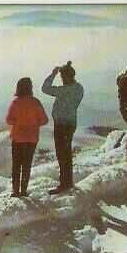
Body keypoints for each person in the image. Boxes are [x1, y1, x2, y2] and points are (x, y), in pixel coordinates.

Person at [42, 61, 84, 194]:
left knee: (62, 154)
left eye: (62, 77)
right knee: (66, 153)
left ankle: (65, 183)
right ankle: (67, 181)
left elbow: (45, 88)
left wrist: (53, 74)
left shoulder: (64, 90)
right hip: (71, 123)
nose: (62, 79)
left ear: (67, 76)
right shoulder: (79, 88)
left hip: (61, 125)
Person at [5, 77, 49, 197]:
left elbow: (8, 120)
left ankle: (15, 191)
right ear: (30, 88)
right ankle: (24, 191)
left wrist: (19, 122)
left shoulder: (15, 102)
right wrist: (34, 124)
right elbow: (45, 120)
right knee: (26, 165)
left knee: (16, 165)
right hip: (31, 139)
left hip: (17, 138)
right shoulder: (36, 102)